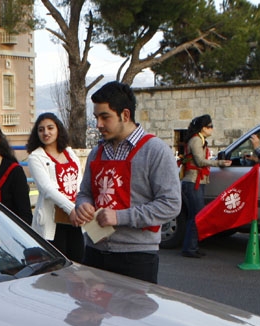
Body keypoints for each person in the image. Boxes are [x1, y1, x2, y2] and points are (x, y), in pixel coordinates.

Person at [70, 81, 181, 284]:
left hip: (136, 257)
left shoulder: (155, 151)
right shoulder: (97, 152)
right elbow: (85, 192)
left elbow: (170, 204)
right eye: (96, 118)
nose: (98, 125)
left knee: (131, 316)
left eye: (105, 117)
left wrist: (119, 217)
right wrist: (82, 204)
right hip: (94, 251)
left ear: (126, 115)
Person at [25, 112, 84, 261]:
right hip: (53, 221)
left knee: (78, 262)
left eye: (50, 128)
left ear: (58, 129)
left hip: (75, 218)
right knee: (57, 265)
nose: (46, 132)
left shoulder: (69, 152)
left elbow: (79, 181)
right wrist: (70, 208)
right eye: (41, 129)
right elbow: (46, 189)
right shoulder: (36, 157)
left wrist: (81, 206)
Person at [179, 114, 232, 258]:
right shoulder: (196, 140)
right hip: (193, 181)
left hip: (196, 181)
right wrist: (219, 163)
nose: (212, 129)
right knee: (196, 216)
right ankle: (190, 247)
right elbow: (200, 161)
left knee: (195, 215)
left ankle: (192, 246)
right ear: (203, 128)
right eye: (210, 126)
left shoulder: (198, 139)